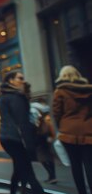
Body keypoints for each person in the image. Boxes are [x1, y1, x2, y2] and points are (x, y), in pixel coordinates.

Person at [0, 71, 45, 194]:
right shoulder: (16, 97)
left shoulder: (3, 96)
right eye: (20, 78)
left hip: (6, 137)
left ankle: (14, 191)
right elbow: (22, 122)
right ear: (11, 81)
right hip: (16, 138)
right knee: (28, 171)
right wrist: (30, 145)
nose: (22, 80)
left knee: (19, 167)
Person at [52, 65, 92, 194]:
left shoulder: (60, 91)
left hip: (68, 132)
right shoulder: (89, 91)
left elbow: (56, 113)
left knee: (76, 165)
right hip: (88, 131)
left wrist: (62, 127)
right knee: (90, 164)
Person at [30, 98, 57, 184]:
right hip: (44, 139)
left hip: (42, 139)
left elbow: (48, 128)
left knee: (43, 158)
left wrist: (51, 136)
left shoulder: (43, 118)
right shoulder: (42, 117)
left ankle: (52, 176)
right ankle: (52, 176)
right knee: (48, 158)